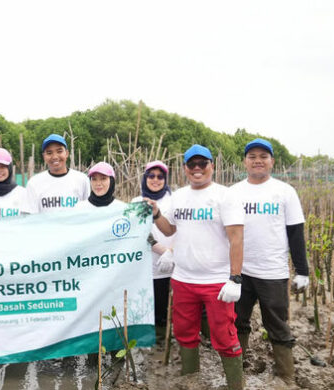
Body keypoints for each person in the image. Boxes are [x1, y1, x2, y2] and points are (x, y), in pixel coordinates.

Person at [144, 144, 245, 390]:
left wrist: (235, 278)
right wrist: (156, 213)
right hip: (183, 279)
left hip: (216, 282)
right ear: (185, 169)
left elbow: (236, 238)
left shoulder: (225, 195)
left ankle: (235, 385)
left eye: (203, 164)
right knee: (184, 332)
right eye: (192, 165)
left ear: (212, 166)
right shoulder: (178, 196)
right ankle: (192, 380)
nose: (197, 169)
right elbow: (169, 229)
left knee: (224, 336)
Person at [231, 138, 309, 384]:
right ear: (245, 162)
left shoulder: (285, 191)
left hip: (273, 272)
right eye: (252, 156)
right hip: (238, 271)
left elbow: (295, 233)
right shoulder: (233, 193)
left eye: (263, 156)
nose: (257, 160)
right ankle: (236, 370)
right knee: (236, 320)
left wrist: (302, 271)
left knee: (277, 324)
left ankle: (286, 377)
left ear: (272, 161)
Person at [132, 160, 174, 343]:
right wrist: (162, 249)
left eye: (160, 176)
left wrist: (171, 252)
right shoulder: (136, 202)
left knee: (172, 310)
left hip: (175, 265)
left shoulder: (174, 200)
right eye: (151, 176)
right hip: (148, 268)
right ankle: (155, 348)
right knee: (153, 311)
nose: (155, 180)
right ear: (145, 178)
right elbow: (139, 233)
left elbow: (184, 230)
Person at [25, 134, 89, 214]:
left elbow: (88, 212)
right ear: (44, 156)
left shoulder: (82, 179)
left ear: (67, 153)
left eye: (59, 151)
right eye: (49, 153)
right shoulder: (34, 183)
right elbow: (31, 217)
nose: (55, 156)